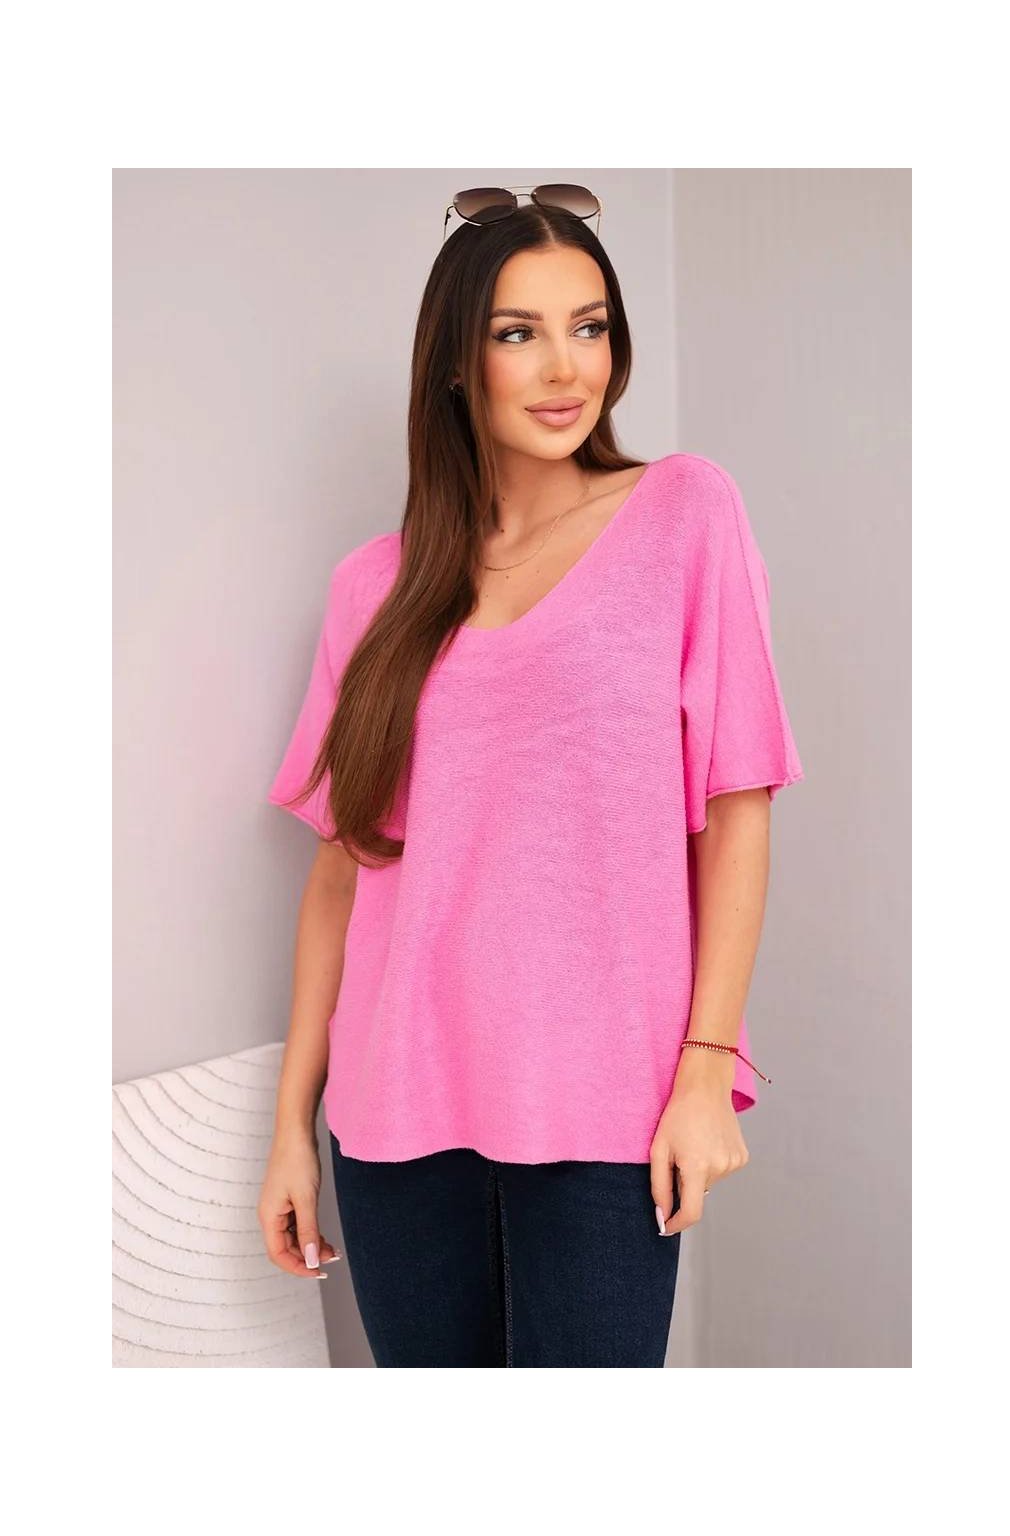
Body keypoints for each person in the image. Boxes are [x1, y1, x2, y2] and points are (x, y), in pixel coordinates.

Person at [257, 185, 805, 1367]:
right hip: (395, 1111)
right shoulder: (375, 586)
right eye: (519, 333)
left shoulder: (684, 512)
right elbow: (344, 876)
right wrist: (291, 1129)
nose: (565, 368)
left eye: (589, 326)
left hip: (606, 1104)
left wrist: (705, 1071)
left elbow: (736, 810)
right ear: (459, 364)